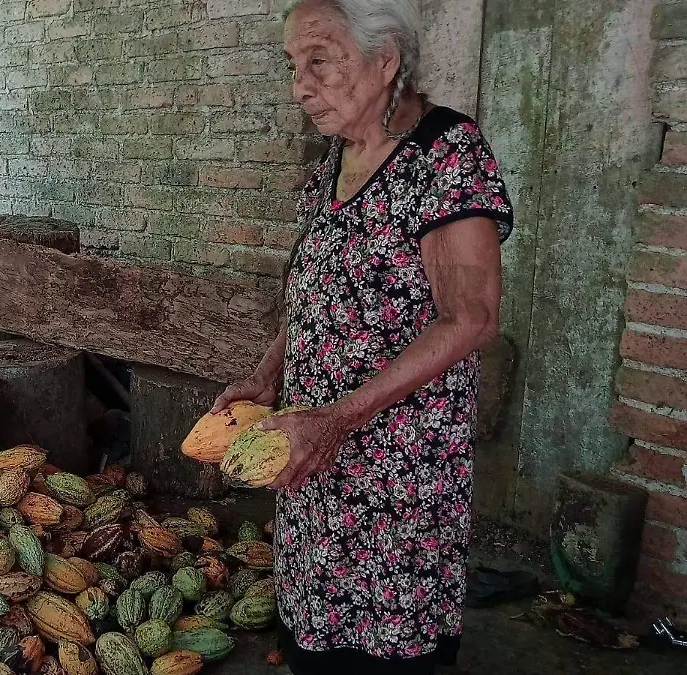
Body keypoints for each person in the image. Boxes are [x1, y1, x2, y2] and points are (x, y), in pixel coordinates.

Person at [209, 1, 513, 673]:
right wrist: (267, 375)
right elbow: (317, 292)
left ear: (384, 60)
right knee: (316, 629)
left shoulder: (447, 155)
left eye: (319, 59)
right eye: (293, 65)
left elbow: (470, 316)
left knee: (383, 641)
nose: (299, 85)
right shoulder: (333, 162)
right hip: (315, 452)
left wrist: (339, 418)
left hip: (398, 466)